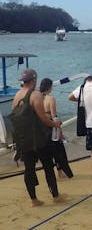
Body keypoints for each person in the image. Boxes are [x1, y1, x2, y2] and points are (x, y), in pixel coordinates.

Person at [11, 69, 64, 207]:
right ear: (34, 80)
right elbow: (43, 119)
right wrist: (55, 124)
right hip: (38, 139)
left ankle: (34, 200)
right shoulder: (35, 95)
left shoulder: (17, 95)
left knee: (29, 169)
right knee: (48, 166)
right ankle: (56, 196)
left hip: (23, 139)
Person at [40, 78, 73, 178]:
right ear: (49, 87)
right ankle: (61, 172)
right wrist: (60, 131)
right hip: (51, 126)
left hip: (42, 126)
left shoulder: (38, 98)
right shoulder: (51, 99)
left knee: (48, 152)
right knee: (59, 150)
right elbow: (54, 116)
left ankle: (53, 173)